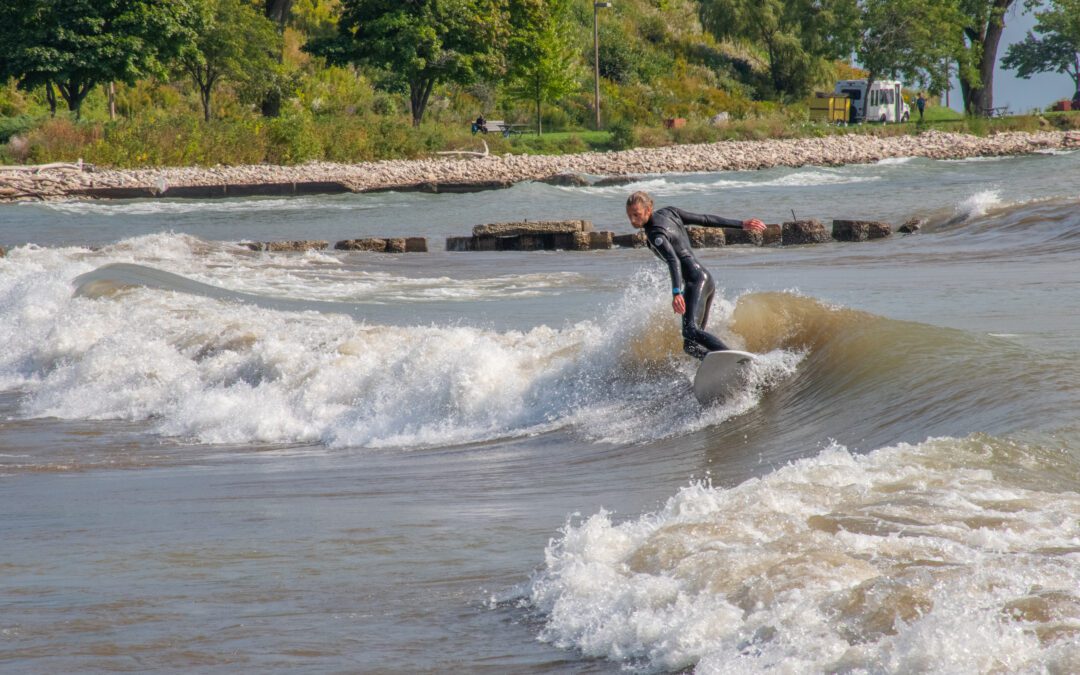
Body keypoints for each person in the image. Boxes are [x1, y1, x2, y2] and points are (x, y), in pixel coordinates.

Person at [626, 190, 766, 359]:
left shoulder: (655, 233)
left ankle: (736, 360)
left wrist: (677, 292)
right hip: (705, 280)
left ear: (648, 209)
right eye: (630, 215)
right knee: (690, 345)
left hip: (695, 281)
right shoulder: (670, 212)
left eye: (637, 214)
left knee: (690, 330)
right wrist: (741, 224)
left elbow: (673, 260)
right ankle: (720, 367)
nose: (633, 220)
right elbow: (705, 219)